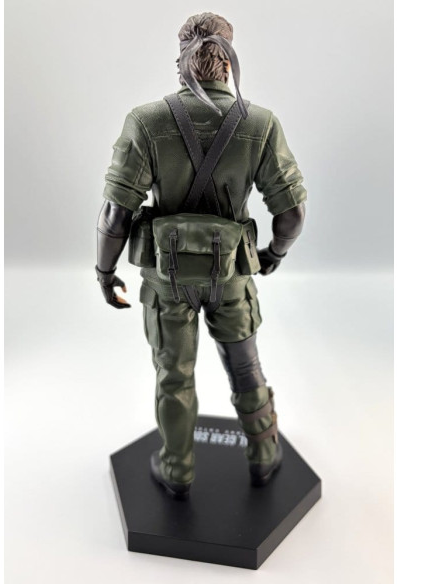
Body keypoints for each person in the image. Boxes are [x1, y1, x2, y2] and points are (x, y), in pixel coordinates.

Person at [96, 12, 307, 499]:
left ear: (182, 60)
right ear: (227, 62)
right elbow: (293, 213)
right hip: (233, 278)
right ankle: (264, 454)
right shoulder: (260, 123)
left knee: (174, 376)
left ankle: (177, 469)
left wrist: (105, 272)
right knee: (246, 368)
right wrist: (273, 253)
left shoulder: (146, 121)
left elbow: (114, 215)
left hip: (166, 282)